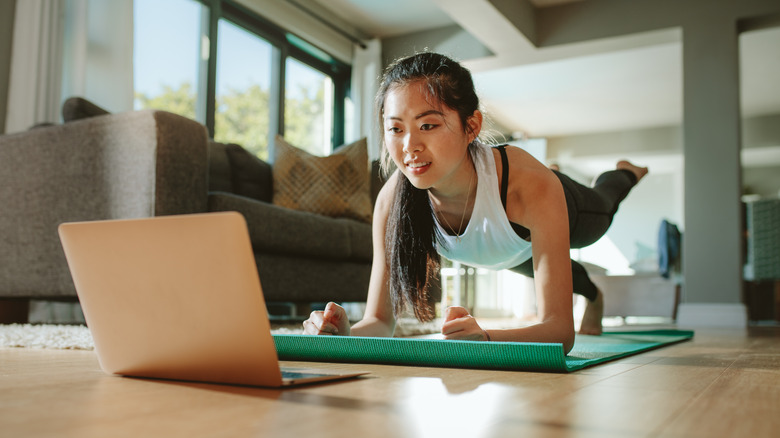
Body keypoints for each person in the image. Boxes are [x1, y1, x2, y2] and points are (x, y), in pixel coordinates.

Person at [302, 52, 647, 354]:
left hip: (565, 208)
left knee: (604, 205)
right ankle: (594, 295)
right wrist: (342, 333)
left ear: (471, 126)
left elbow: (559, 331)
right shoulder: (392, 202)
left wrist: (485, 337)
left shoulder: (528, 186)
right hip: (506, 248)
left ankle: (624, 173)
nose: (410, 146)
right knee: (560, 273)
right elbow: (379, 322)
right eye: (396, 129)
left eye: (428, 124)